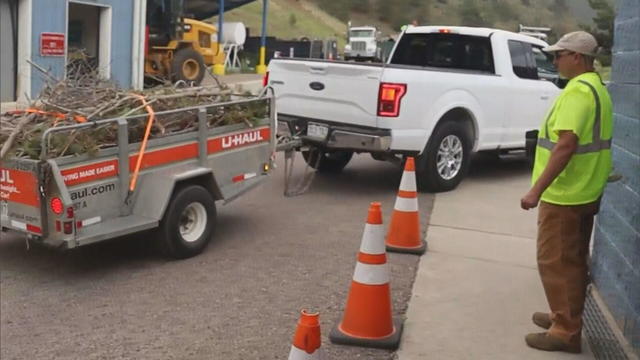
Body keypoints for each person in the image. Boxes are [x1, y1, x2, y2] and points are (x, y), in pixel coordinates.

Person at [520, 31, 613, 353]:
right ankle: (564, 314)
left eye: (559, 55)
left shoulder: (578, 93)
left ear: (577, 57)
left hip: (565, 193)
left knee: (556, 261)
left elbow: (566, 145)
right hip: (584, 190)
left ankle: (565, 331)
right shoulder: (596, 88)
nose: (554, 60)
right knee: (570, 260)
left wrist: (536, 190)